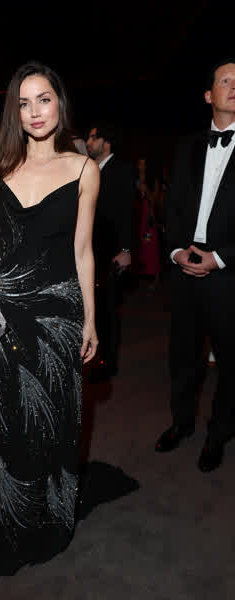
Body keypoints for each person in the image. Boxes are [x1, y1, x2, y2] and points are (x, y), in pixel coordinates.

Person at [0, 61, 100, 583]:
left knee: (50, 423)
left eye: (44, 99)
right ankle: (3, 518)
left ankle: (46, 518)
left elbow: (83, 251)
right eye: (23, 103)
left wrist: (90, 319)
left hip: (57, 318)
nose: (35, 112)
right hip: (5, 315)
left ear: (59, 103)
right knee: (2, 420)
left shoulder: (83, 170)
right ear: (14, 112)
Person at [155, 58, 235, 472]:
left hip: (229, 272)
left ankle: (218, 434)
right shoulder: (186, 146)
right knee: (183, 355)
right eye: (226, 80)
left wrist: (219, 259)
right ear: (208, 95)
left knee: (230, 361)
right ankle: (182, 422)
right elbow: (171, 207)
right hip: (184, 265)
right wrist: (175, 252)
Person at [86, 122, 136, 379]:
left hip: (112, 251)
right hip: (93, 250)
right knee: (95, 306)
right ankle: (96, 358)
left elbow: (128, 213)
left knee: (107, 308)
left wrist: (126, 249)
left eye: (93, 137)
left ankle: (107, 363)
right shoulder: (92, 169)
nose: (88, 142)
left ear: (106, 143)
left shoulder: (121, 170)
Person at [134, 157, 161, 291]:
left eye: (143, 164)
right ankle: (141, 275)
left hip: (148, 218)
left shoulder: (153, 180)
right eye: (139, 164)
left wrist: (146, 190)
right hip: (137, 217)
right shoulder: (133, 179)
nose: (141, 167)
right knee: (139, 246)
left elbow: (155, 201)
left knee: (151, 245)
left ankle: (156, 277)